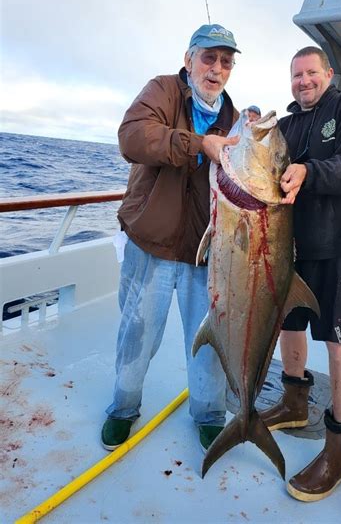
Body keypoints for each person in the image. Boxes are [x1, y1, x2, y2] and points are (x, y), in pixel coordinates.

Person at [101, 24, 241, 452]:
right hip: (153, 246)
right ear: (189, 59)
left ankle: (210, 415)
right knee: (137, 334)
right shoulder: (162, 90)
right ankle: (123, 409)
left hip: (204, 254)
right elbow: (133, 137)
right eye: (209, 58)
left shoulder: (232, 119)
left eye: (226, 62)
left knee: (209, 345)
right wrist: (200, 144)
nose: (216, 69)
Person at [260, 46, 341, 502]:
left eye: (311, 72)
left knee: (337, 338)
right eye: (296, 75)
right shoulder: (288, 125)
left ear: (328, 73)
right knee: (288, 323)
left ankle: (339, 449)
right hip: (297, 245)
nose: (303, 81)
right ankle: (294, 401)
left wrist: (309, 171)